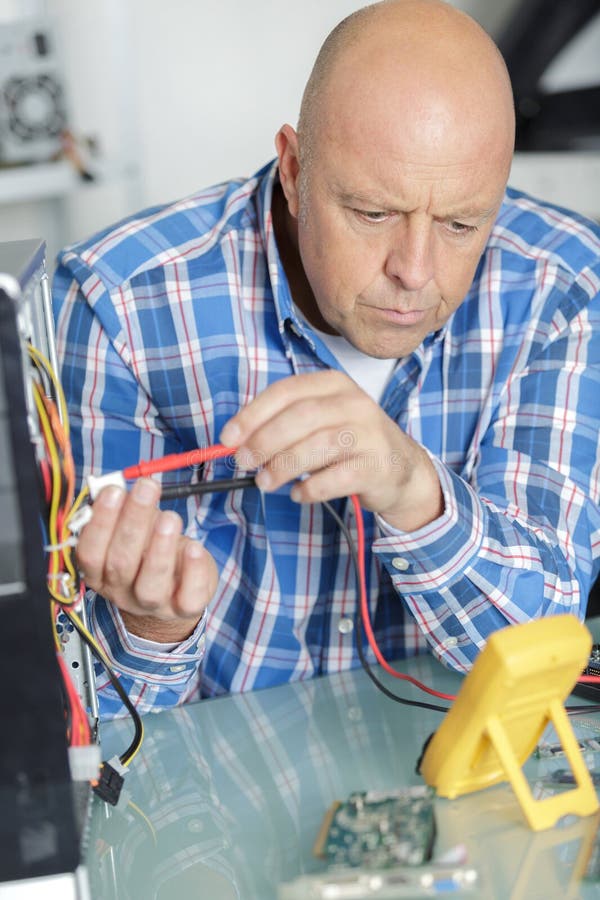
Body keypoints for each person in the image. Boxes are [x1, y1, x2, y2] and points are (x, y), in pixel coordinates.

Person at [53, 0, 600, 718]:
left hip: (459, 778)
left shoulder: (565, 286)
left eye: (464, 224)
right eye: (373, 214)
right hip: (222, 797)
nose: (415, 270)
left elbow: (544, 645)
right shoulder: (118, 306)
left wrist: (412, 488)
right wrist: (151, 626)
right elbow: (88, 723)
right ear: (292, 165)